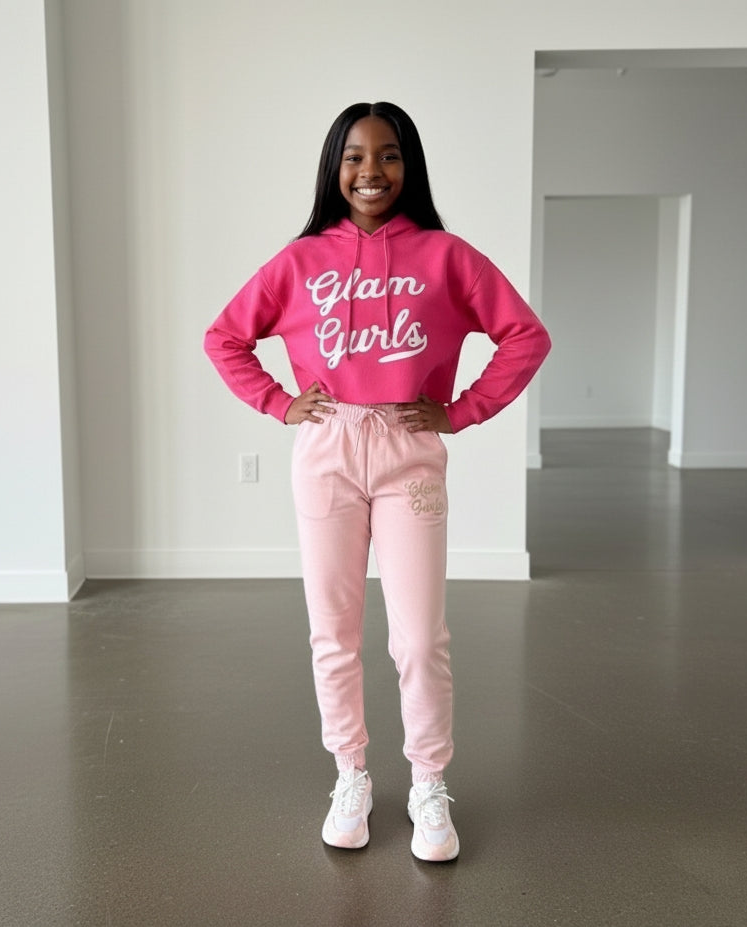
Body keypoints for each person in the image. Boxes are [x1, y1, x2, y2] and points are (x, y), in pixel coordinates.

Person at [204, 101, 550, 862]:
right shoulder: (300, 262)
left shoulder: (445, 255)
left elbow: (526, 335)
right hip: (327, 448)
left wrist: (460, 412)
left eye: (388, 155)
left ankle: (428, 781)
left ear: (408, 166)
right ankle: (351, 772)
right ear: (335, 167)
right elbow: (224, 336)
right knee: (333, 631)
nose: (371, 172)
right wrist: (277, 399)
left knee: (420, 637)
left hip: (406, 446)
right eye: (355, 156)